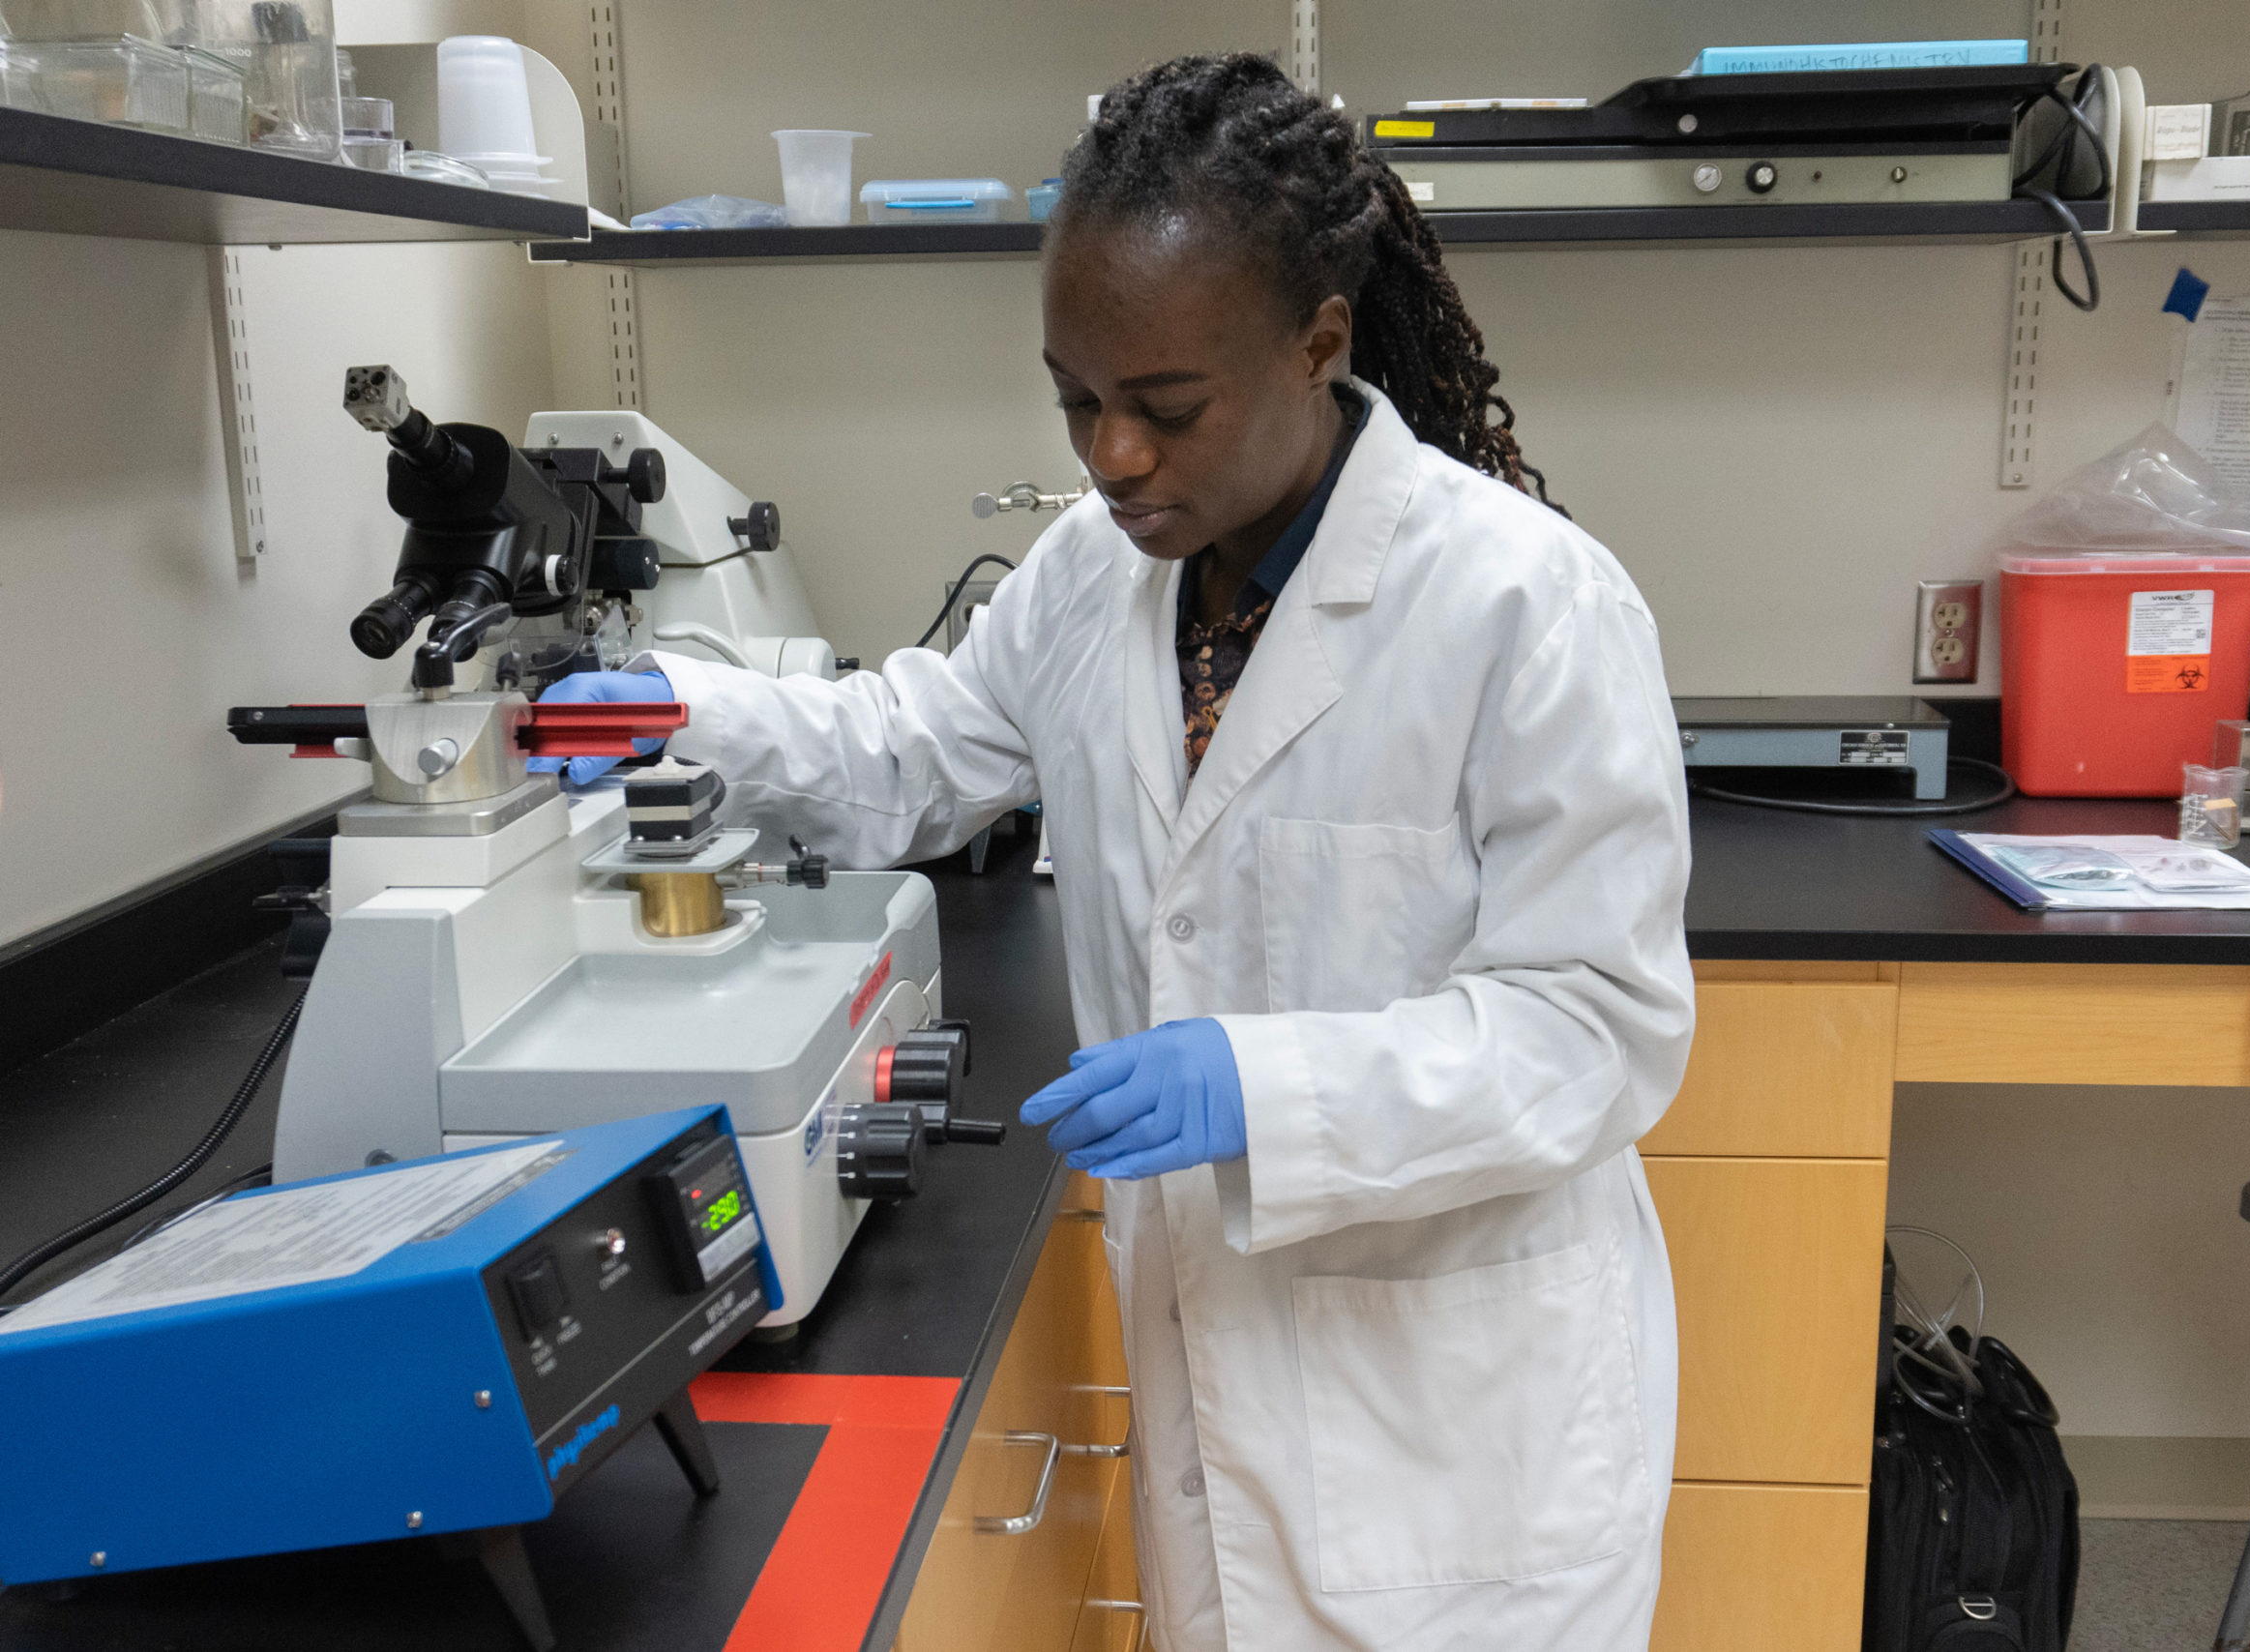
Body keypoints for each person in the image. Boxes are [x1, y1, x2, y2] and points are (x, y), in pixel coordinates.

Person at [542, 52, 1695, 1652]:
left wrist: (1263, 1086)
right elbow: (924, 749)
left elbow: (1596, 1032)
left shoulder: (1525, 605)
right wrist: (686, 709)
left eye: (1164, 408)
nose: (1111, 456)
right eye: (1076, 398)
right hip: (1220, 1362)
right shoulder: (1099, 575)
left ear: (1319, 341)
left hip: (1460, 1431)